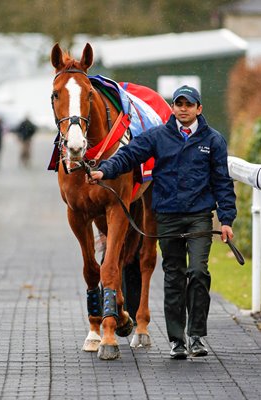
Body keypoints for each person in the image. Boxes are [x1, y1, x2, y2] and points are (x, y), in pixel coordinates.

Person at [86, 85, 236, 359]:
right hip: (167, 217)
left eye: (188, 104)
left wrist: (226, 219)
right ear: (174, 107)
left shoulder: (213, 141)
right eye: (179, 104)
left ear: (198, 109)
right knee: (174, 276)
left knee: (199, 273)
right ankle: (177, 340)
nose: (183, 108)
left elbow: (223, 182)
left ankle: (197, 336)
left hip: (199, 218)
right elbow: (128, 156)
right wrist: (104, 171)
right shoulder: (157, 136)